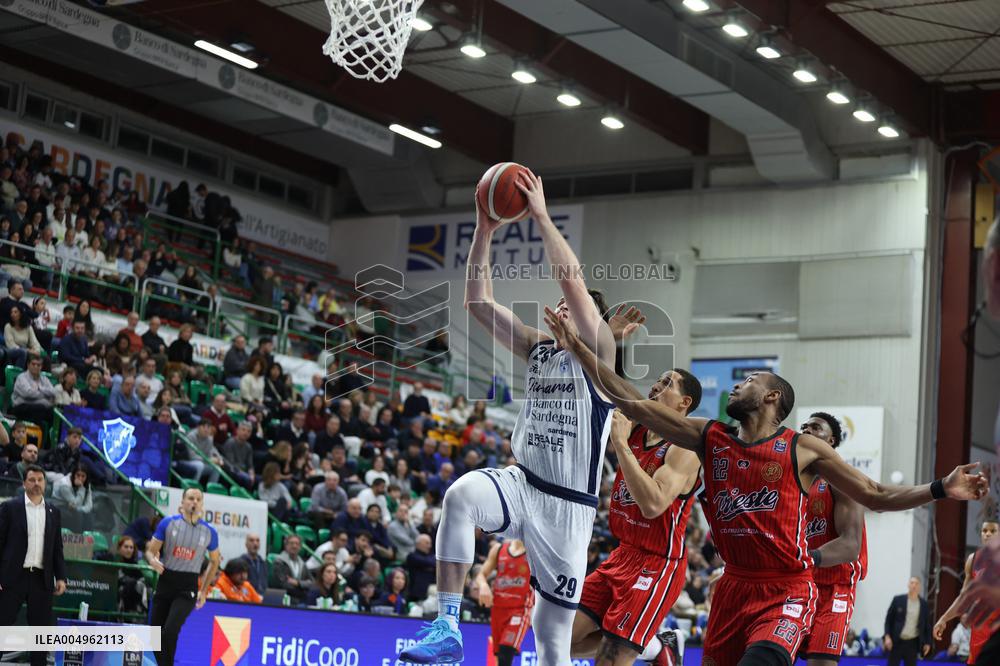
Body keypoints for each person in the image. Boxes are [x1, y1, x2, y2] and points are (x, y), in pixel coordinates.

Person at [542, 308, 988, 666]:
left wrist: (941, 487)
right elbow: (629, 399)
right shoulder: (708, 436)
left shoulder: (803, 449)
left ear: (773, 397)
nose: (737, 385)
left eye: (749, 381)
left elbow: (877, 493)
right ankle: (663, 648)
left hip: (786, 587)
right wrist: (580, 347)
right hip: (733, 587)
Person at [401, 171, 618, 664]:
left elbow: (571, 279)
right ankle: (447, 627)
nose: (564, 305)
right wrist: (485, 227)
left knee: (551, 638)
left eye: (576, 306)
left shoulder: (603, 356)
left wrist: (540, 215)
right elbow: (477, 303)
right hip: (523, 483)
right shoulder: (538, 349)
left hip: (569, 509)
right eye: (561, 305)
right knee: (458, 497)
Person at [571, 369, 702, 666]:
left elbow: (654, 505)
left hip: (657, 563)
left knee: (610, 657)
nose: (656, 384)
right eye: (658, 379)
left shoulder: (685, 447)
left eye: (668, 382)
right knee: (563, 638)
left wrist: (620, 445)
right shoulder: (637, 427)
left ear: (685, 402)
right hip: (623, 554)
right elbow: (609, 385)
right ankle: (657, 646)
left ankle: (635, 642)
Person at [800, 412, 869, 666]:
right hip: (798, 585)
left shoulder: (841, 479)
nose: (806, 430)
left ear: (831, 441)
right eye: (804, 426)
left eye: (815, 428)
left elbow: (851, 546)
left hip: (834, 588)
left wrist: (807, 559)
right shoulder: (793, 480)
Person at [0, 464, 68, 666]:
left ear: (45, 484)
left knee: (41, 631)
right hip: (13, 576)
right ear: (24, 483)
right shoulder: (11, 507)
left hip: (41, 578)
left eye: (40, 480)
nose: (36, 483)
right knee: (3, 625)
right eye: (32, 480)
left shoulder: (53, 511)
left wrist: (61, 576)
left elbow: (57, 547)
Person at [145, 488, 221, 666]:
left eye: (198, 499)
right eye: (190, 498)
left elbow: (215, 561)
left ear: (202, 504)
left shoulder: (209, 532)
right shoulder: (168, 523)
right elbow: (150, 551)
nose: (194, 502)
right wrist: (152, 561)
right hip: (166, 580)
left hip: (188, 586)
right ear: (182, 502)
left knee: (170, 630)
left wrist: (203, 590)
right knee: (154, 635)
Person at [936, 519, 1000, 664]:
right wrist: (944, 618)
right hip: (979, 632)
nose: (988, 534)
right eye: (984, 531)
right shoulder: (973, 560)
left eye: (992, 531)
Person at [474, 539, 534, 666]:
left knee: (505, 652)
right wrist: (484, 586)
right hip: (498, 609)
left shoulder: (534, 551)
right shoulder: (498, 549)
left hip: (520, 610)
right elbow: (481, 575)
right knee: (498, 655)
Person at [884, 577, 933, 666]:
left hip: (912, 643)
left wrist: (928, 642)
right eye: (912, 583)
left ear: (920, 587)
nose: (914, 585)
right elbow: (888, 620)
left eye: (916, 583)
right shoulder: (898, 600)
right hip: (897, 641)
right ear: (908, 585)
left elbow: (927, 626)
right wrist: (887, 637)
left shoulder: (924, 604)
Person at [10, 353, 55, 426]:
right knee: (40, 408)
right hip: (21, 406)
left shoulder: (44, 379)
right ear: (28, 365)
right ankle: (36, 433)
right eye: (33, 364)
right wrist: (45, 396)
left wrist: (39, 388)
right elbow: (28, 393)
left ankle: (51, 436)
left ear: (41, 367)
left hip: (38, 407)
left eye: (38, 365)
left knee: (53, 412)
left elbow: (53, 392)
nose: (36, 367)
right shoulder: (22, 377)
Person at [273, 534, 312, 604]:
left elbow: (311, 583)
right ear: (286, 546)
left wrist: (298, 583)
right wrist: (303, 590)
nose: (294, 546)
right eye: (291, 543)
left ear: (300, 547)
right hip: (284, 599)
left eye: (297, 544)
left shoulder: (302, 564)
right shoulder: (279, 562)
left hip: (300, 600)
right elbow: (283, 584)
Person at [236, 533, 268, 598]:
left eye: (257, 541)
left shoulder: (263, 563)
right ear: (246, 544)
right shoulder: (240, 562)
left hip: (263, 598)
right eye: (251, 540)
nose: (255, 543)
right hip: (248, 597)